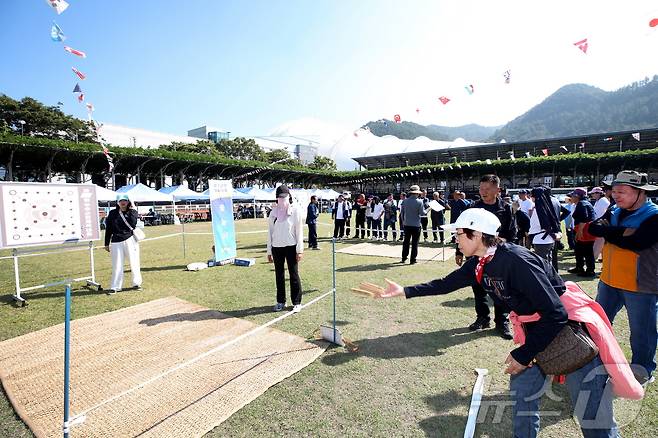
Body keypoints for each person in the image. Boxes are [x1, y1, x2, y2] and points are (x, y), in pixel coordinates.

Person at [368, 208, 639, 438]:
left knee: (591, 414)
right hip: (533, 333)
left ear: (476, 234)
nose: (455, 239)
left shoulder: (516, 261)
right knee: (522, 396)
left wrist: (523, 354)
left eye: (459, 233)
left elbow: (555, 312)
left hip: (566, 333)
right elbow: (446, 283)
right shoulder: (480, 262)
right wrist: (405, 290)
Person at [587, 170, 658, 387]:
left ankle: (642, 370)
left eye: (622, 192)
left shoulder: (654, 215)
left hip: (641, 284)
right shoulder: (615, 209)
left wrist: (611, 232)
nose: (615, 195)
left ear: (640, 192)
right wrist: (622, 232)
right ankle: (592, 363)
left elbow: (637, 242)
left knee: (642, 332)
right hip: (609, 280)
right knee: (597, 325)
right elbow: (593, 227)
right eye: (614, 191)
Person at [457, 174, 516, 339]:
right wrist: (459, 251)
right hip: (476, 257)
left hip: (498, 258)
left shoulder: (506, 209)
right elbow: (463, 231)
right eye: (481, 188)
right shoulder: (473, 208)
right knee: (478, 288)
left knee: (500, 290)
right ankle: (482, 318)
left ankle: (501, 321)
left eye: (487, 189)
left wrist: (501, 244)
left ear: (498, 190)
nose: (483, 192)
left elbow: (512, 233)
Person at [267, 185, 304, 313]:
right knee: (279, 275)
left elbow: (299, 231)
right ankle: (281, 301)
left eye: (284, 197)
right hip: (277, 247)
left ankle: (297, 302)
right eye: (279, 197)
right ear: (276, 198)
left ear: (289, 196)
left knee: (293, 274)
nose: (282, 199)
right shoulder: (273, 213)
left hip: (291, 246)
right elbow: (270, 233)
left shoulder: (295, 211)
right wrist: (269, 251)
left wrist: (300, 250)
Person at [104, 193, 143, 294]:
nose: (123, 202)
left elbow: (133, 223)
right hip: (116, 241)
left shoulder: (132, 212)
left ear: (128, 201)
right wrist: (106, 243)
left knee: (134, 262)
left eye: (125, 200)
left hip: (130, 239)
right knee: (117, 265)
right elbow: (108, 229)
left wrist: (133, 207)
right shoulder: (112, 213)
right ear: (117, 202)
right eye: (120, 200)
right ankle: (115, 286)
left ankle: (136, 283)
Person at [528, 186, 561, 267]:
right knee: (548, 263)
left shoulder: (540, 210)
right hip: (547, 240)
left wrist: (553, 235)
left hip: (541, 240)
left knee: (543, 265)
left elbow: (545, 225)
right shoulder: (547, 207)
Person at [568, 188, 596, 277]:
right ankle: (579, 267)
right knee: (579, 250)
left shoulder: (582, 204)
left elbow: (584, 218)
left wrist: (579, 232)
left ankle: (590, 270)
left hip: (585, 231)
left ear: (577, 196)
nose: (570, 197)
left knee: (587, 252)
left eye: (572, 196)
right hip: (584, 230)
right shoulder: (583, 203)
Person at [400, 185, 424, 264]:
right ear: (417, 193)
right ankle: (412, 259)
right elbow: (422, 213)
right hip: (416, 225)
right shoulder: (420, 202)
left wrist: (404, 222)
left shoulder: (405, 201)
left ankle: (404, 257)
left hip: (407, 224)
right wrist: (428, 209)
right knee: (415, 243)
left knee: (406, 242)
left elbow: (402, 213)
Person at [590, 186, 611, 262]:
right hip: (599, 224)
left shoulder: (603, 201)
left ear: (598, 193)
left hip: (601, 225)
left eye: (593, 193)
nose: (592, 195)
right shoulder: (599, 201)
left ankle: (592, 258)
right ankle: (601, 257)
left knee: (598, 243)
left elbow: (604, 213)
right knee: (601, 243)